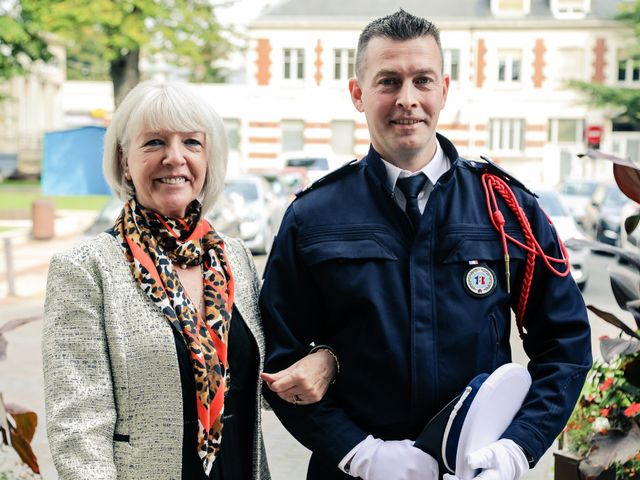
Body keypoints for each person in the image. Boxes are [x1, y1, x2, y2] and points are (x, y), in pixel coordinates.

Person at [259, 10, 592, 480]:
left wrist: (518, 448)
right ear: (358, 94)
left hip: (475, 471)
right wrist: (359, 453)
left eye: (422, 80)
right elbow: (280, 362)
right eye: (388, 81)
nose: (407, 99)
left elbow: (566, 344)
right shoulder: (313, 217)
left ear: (444, 90)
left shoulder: (506, 208)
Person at [42, 80, 337, 480]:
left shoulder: (233, 257)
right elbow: (78, 428)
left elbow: (264, 377)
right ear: (125, 161)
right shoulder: (86, 268)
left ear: (208, 159)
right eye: (154, 143)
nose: (174, 158)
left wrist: (327, 359)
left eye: (191, 143)